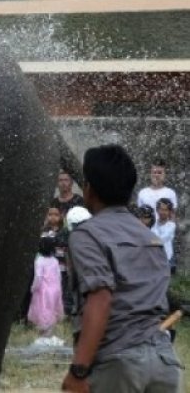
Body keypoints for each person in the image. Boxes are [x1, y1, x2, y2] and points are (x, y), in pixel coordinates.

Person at [62, 144, 182, 393]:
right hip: (164, 362)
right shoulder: (150, 237)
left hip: (118, 365)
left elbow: (101, 298)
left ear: (89, 190)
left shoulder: (87, 235)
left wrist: (78, 370)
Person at [27, 236, 63, 342]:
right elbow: (59, 276)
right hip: (55, 289)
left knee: (43, 312)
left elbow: (38, 276)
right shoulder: (55, 261)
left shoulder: (39, 261)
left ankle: (44, 338)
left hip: (43, 291)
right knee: (52, 311)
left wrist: (33, 288)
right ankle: (49, 335)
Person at [152, 198, 177, 273]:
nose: (163, 212)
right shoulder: (153, 224)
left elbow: (161, 240)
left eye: (166, 210)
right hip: (153, 258)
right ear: (157, 210)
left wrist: (150, 241)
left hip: (167, 258)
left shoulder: (171, 225)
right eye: (161, 209)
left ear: (169, 212)